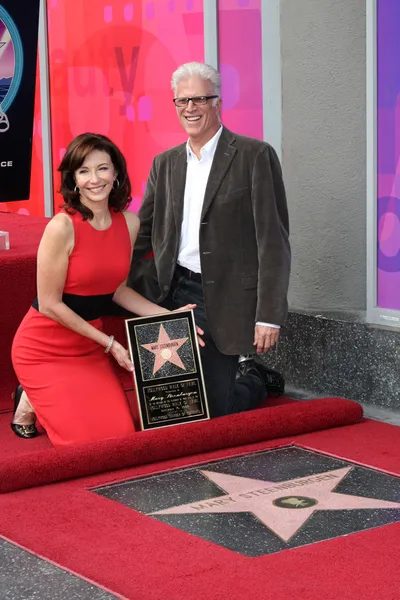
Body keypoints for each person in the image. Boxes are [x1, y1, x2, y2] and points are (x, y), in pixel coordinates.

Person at [11, 133, 198, 446]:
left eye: (102, 169)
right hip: (43, 349)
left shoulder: (129, 222)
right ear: (73, 179)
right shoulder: (62, 226)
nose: (94, 179)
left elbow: (118, 290)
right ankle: (31, 394)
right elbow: (49, 305)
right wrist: (109, 343)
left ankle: (32, 398)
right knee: (85, 445)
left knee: (119, 437)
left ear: (116, 173)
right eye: (84, 171)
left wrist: (168, 317)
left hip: (86, 349)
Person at [128, 62, 291, 418]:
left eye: (200, 99)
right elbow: (143, 233)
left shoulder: (254, 156)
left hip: (226, 296)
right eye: (182, 100)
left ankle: (254, 379)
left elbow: (274, 240)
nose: (191, 108)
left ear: (217, 102)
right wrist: (109, 272)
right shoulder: (165, 163)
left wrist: (269, 315)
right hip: (174, 290)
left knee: (214, 410)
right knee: (170, 408)